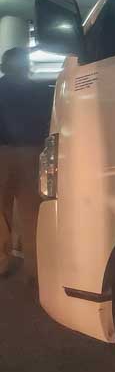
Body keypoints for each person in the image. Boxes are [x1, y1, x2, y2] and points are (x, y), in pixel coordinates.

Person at [0, 47, 50, 290]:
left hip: (3, 152)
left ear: (4, 66)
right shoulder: (40, 90)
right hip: (33, 152)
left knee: (2, 211)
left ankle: (2, 263)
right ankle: (36, 270)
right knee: (32, 214)